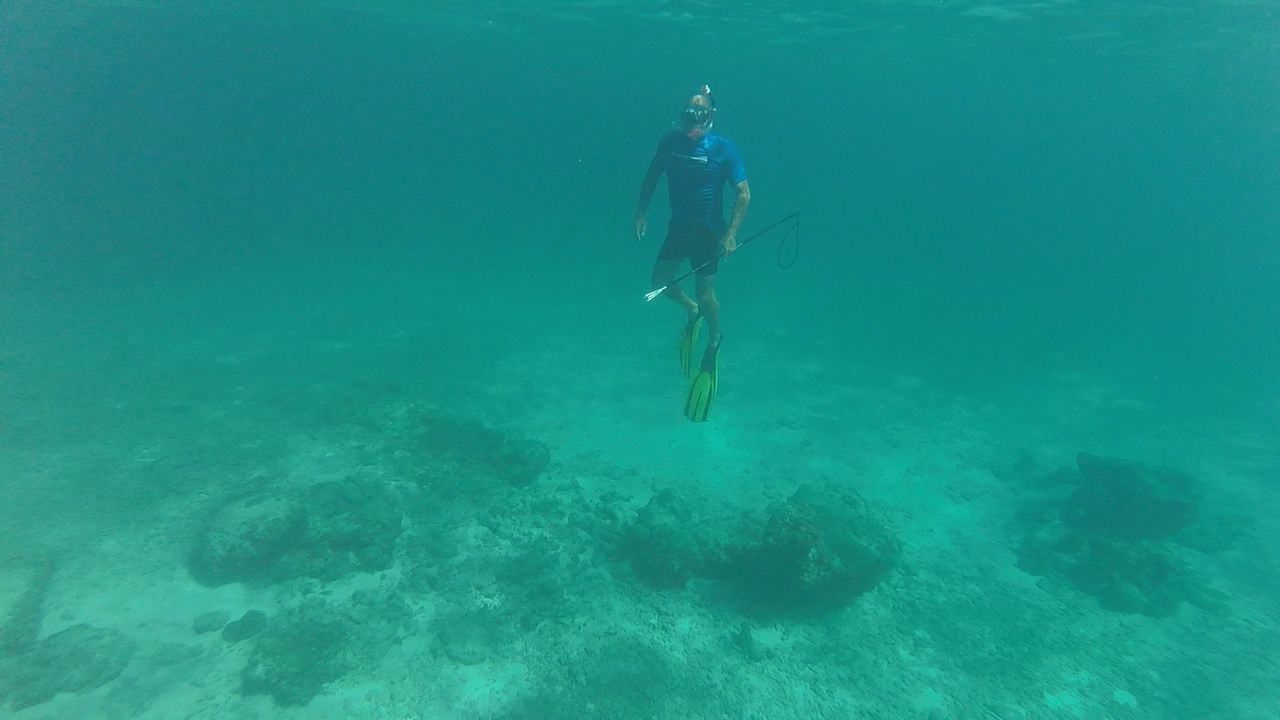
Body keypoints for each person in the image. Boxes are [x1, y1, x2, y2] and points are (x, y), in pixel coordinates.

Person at [634, 85, 751, 421]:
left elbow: (743, 193)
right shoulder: (670, 142)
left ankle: (715, 339)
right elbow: (652, 175)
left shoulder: (724, 149)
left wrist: (731, 235)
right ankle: (692, 310)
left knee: (707, 291)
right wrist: (641, 210)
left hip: (708, 235)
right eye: (687, 114)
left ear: (711, 116)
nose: (691, 121)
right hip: (678, 229)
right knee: (659, 281)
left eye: (698, 114)